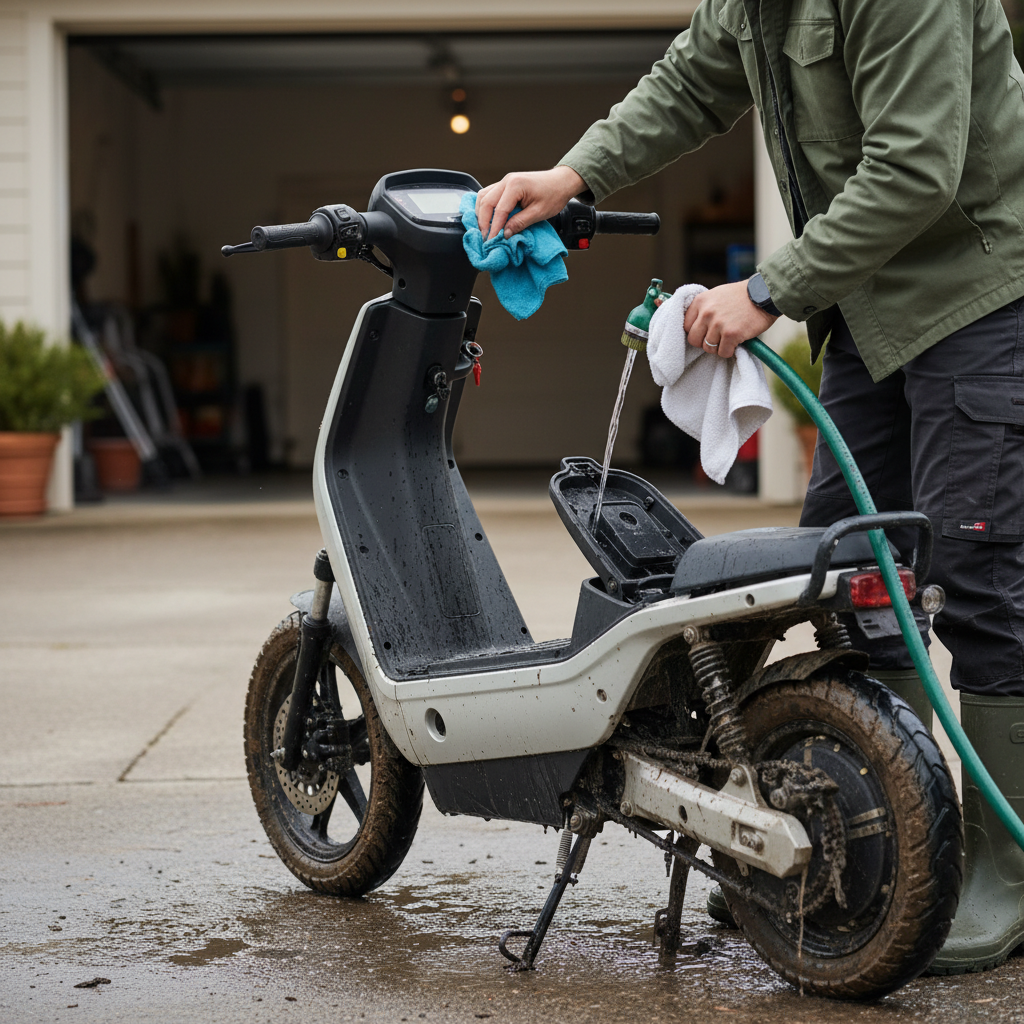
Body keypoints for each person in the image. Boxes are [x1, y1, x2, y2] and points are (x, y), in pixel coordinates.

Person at [477, 0, 1024, 975]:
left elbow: (913, 169)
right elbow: (691, 82)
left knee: (981, 580)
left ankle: (1004, 871)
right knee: (847, 582)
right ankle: (904, 846)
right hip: (871, 311)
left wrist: (767, 291)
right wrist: (571, 175)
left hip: (977, 297)